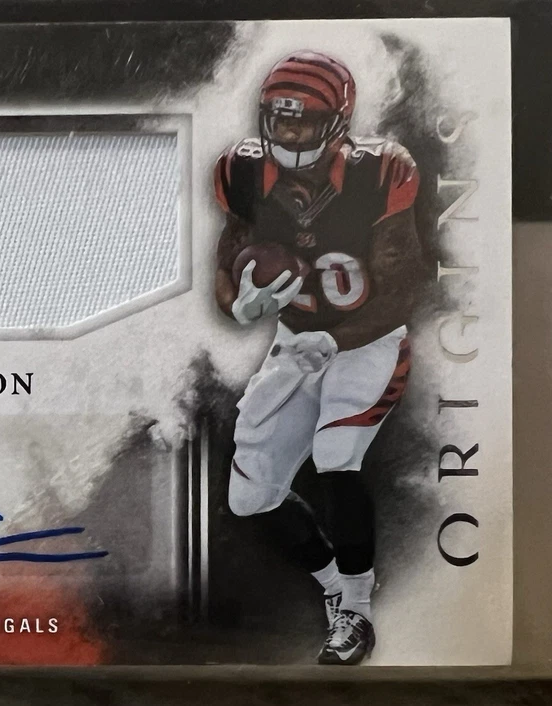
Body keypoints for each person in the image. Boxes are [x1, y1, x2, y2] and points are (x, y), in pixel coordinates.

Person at [213, 51, 424, 665]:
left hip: (368, 339)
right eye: (279, 117)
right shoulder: (242, 171)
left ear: (337, 122)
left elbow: (403, 292)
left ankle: (357, 612)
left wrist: (336, 341)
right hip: (296, 340)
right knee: (251, 496)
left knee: (337, 455)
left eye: (303, 119)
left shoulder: (378, 173)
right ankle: (336, 586)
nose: (289, 130)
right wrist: (238, 305)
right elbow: (228, 261)